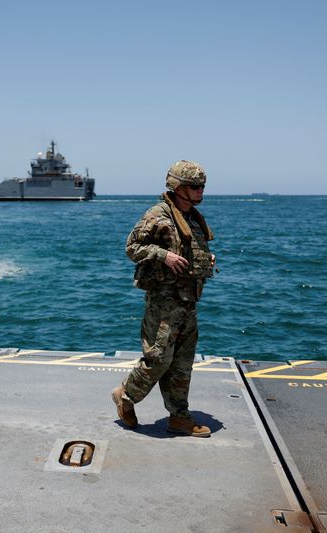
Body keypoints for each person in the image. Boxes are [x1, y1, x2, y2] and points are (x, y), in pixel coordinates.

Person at [111, 160, 215, 437]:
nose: (200, 191)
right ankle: (125, 395)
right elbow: (132, 247)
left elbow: (189, 249)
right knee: (158, 359)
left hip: (188, 302)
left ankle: (179, 416)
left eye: (202, 186)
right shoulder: (158, 215)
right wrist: (163, 255)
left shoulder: (191, 217)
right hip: (164, 302)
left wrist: (205, 259)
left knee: (183, 363)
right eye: (194, 186)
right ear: (177, 187)